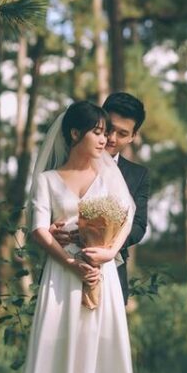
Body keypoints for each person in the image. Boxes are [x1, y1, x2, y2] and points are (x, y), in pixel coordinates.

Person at [6, 101, 141, 373]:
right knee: (60, 372)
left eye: (107, 132)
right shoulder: (47, 180)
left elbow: (127, 218)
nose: (105, 139)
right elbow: (38, 229)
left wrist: (106, 254)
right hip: (62, 285)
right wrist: (70, 262)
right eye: (97, 131)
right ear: (73, 134)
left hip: (103, 281)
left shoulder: (110, 174)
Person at [51, 92, 149, 305]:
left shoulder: (137, 175)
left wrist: (104, 243)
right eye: (109, 128)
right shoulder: (63, 162)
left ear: (133, 136)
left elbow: (139, 225)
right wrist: (53, 230)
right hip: (61, 268)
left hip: (111, 270)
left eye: (122, 134)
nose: (111, 138)